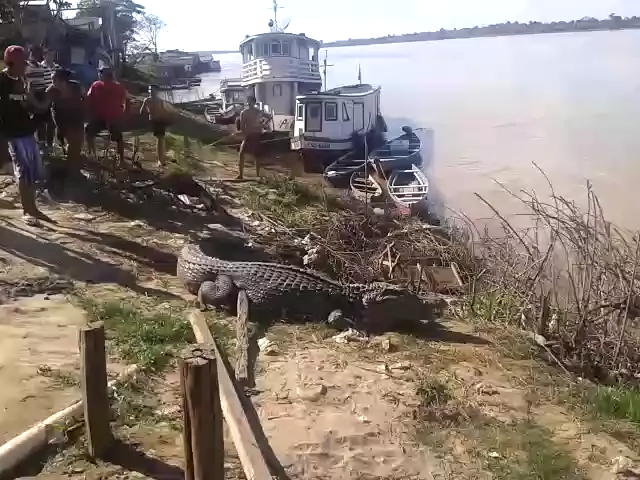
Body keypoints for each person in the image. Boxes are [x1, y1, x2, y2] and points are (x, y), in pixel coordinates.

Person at [0, 45, 51, 226]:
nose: (26, 66)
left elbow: (32, 104)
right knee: (23, 170)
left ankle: (32, 207)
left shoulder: (23, 80)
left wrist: (46, 100)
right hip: (11, 133)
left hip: (26, 131)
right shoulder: (2, 81)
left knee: (32, 170)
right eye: (22, 62)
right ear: (11, 63)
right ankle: (26, 210)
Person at [85, 66, 129, 167]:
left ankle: (121, 160)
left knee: (118, 138)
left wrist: (124, 112)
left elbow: (126, 99)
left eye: (101, 73)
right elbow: (89, 98)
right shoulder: (96, 85)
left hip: (114, 117)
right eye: (100, 73)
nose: (100, 75)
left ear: (108, 76)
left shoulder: (118, 87)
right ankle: (92, 154)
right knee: (88, 131)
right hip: (99, 117)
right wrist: (89, 110)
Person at [47, 68, 85, 169]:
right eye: (52, 80)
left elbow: (84, 98)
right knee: (72, 140)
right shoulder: (51, 91)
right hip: (62, 118)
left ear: (63, 81)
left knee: (78, 141)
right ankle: (71, 163)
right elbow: (45, 105)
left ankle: (74, 158)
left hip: (76, 116)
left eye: (54, 80)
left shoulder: (76, 87)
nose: (52, 82)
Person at [25, 45, 55, 154]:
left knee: (51, 122)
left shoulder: (44, 68)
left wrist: (46, 100)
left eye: (39, 54)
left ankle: (49, 144)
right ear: (30, 53)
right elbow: (26, 86)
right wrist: (35, 102)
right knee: (37, 123)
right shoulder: (26, 67)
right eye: (35, 54)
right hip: (32, 96)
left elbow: (49, 84)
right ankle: (39, 144)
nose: (37, 56)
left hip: (44, 95)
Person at [237, 95, 270, 180]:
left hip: (257, 135)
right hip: (249, 136)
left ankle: (258, 175)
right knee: (242, 154)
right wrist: (245, 133)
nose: (248, 103)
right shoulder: (244, 112)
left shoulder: (258, 112)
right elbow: (242, 126)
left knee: (257, 156)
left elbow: (269, 116)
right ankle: (240, 175)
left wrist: (263, 125)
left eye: (250, 101)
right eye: (248, 101)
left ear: (253, 102)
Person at [140, 85, 172, 167]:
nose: (151, 91)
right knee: (160, 139)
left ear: (156, 91)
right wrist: (149, 111)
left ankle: (161, 159)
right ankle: (161, 160)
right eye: (150, 89)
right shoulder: (148, 100)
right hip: (155, 120)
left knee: (161, 139)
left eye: (152, 90)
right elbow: (142, 111)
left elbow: (163, 109)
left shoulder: (159, 100)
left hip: (161, 119)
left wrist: (168, 116)